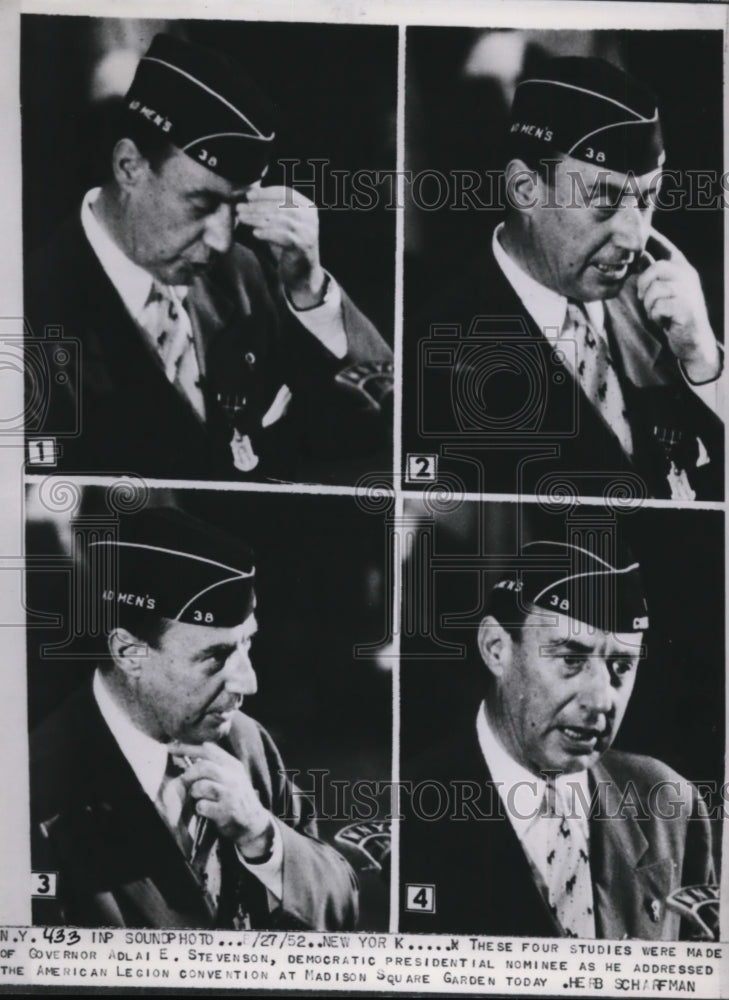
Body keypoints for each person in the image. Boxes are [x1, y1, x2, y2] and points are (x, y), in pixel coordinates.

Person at [25, 33, 392, 483]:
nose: (221, 241)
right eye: (200, 205)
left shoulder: (243, 276)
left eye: (237, 207)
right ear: (129, 167)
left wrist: (309, 291)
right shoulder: (29, 309)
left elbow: (380, 423)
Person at [30, 506, 358, 930]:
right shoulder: (37, 800)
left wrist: (263, 837)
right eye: (217, 655)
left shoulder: (245, 744)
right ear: (129, 653)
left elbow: (342, 906)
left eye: (246, 645)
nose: (249, 682)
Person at [409, 56, 723, 499]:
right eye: (604, 199)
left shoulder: (668, 314)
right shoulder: (433, 350)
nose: (636, 235)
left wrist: (705, 364)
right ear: (524, 190)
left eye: (648, 198)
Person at [400, 540, 717, 939]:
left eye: (621, 666)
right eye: (571, 659)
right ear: (496, 648)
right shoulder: (405, 815)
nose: (602, 699)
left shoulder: (671, 805)